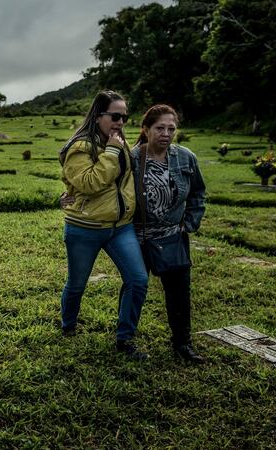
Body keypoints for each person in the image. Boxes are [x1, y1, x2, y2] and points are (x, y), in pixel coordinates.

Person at [59, 90, 149, 360]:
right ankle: (68, 326)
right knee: (77, 283)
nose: (121, 121)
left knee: (138, 279)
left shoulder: (119, 142)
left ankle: (125, 338)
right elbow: (89, 183)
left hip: (120, 227)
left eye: (125, 116)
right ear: (98, 116)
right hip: (84, 227)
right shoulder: (80, 148)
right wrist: (111, 150)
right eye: (116, 116)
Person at [131, 104, 206, 362]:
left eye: (171, 129)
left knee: (179, 292)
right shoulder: (132, 158)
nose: (166, 133)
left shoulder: (185, 157)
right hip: (138, 237)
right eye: (160, 128)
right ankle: (125, 339)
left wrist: (190, 222)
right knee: (134, 288)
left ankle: (182, 344)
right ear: (146, 129)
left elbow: (198, 192)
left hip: (173, 235)